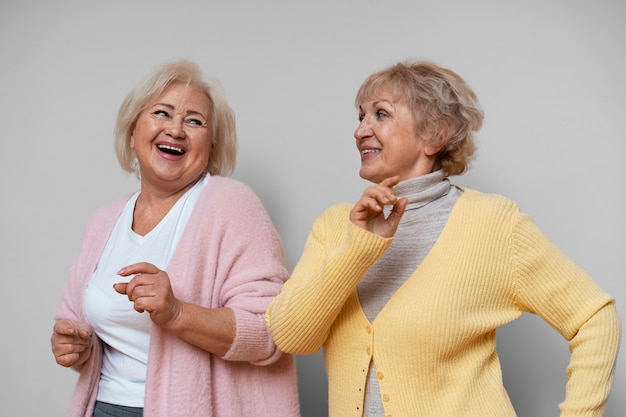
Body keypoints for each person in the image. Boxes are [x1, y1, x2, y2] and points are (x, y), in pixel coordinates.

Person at [266, 60, 621, 417]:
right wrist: (358, 250)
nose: (360, 131)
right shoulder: (334, 226)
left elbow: (593, 317)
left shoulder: (494, 223)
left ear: (435, 134)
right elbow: (292, 337)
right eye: (360, 117)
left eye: (380, 114)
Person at [51, 59, 300, 417]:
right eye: (162, 113)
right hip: (103, 407)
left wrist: (177, 313)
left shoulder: (232, 204)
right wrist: (74, 345)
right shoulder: (102, 222)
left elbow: (272, 331)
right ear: (133, 133)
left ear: (211, 146)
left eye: (194, 121)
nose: (176, 130)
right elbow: (75, 323)